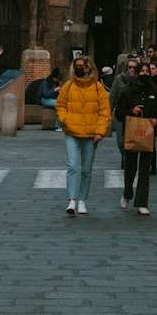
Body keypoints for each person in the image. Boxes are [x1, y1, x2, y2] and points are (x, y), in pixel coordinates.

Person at [54, 53, 110, 216]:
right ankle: (71, 199)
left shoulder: (98, 87)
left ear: (88, 68)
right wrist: (66, 120)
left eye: (82, 66)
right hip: (72, 131)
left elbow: (104, 111)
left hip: (91, 133)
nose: (79, 68)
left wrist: (100, 131)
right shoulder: (68, 86)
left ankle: (82, 200)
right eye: (76, 65)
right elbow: (60, 105)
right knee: (72, 165)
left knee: (86, 169)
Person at [115, 60, 157, 215]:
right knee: (130, 167)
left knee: (144, 170)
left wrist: (156, 120)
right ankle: (127, 192)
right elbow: (119, 112)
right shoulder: (127, 91)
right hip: (132, 133)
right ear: (137, 73)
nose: (145, 74)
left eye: (148, 71)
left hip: (148, 134)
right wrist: (131, 110)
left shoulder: (155, 91)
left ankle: (142, 202)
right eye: (143, 71)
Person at [108, 57, 140, 164]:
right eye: (130, 67)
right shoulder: (119, 79)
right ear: (126, 68)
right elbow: (113, 95)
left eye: (134, 68)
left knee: (132, 140)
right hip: (120, 113)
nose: (132, 69)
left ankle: (129, 159)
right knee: (120, 141)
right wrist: (108, 111)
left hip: (135, 114)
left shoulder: (140, 80)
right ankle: (124, 156)